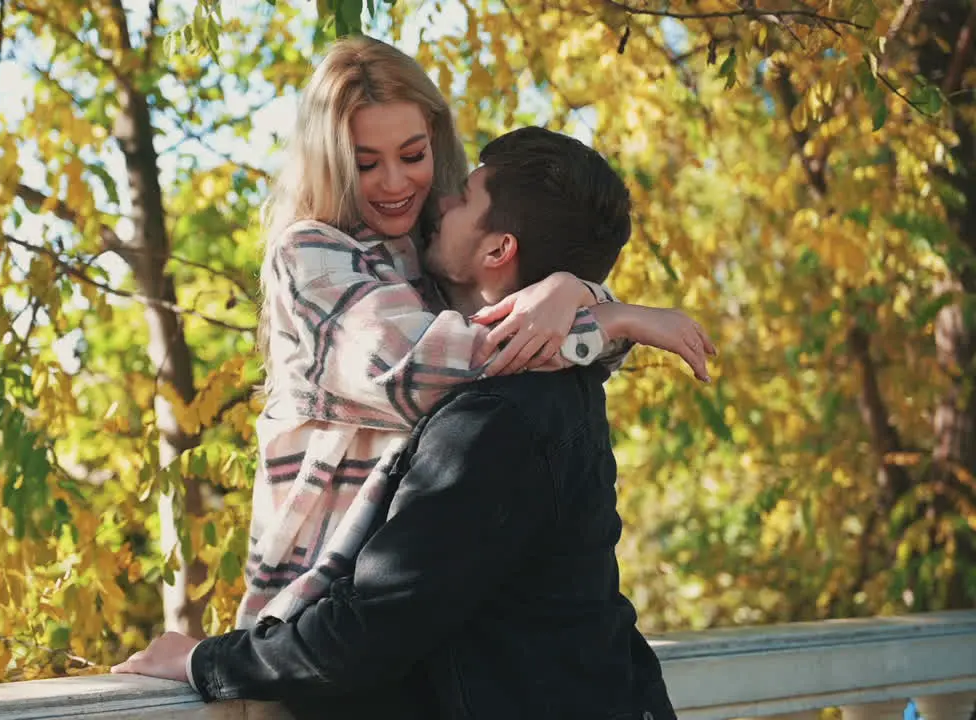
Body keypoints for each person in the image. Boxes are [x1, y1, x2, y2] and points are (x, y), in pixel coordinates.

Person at [113, 128, 692, 719]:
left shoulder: (491, 424)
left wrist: (203, 662)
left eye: (463, 198)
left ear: (498, 251)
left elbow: (370, 629)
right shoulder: (564, 381)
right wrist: (594, 302)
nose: (439, 201)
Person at [227, 35, 711, 632]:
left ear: (436, 137)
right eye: (366, 162)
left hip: (407, 608)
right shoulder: (312, 254)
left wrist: (573, 289)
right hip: (308, 606)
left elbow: (521, 336)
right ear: (330, 160)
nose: (395, 183)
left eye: (412, 153)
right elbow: (419, 370)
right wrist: (613, 316)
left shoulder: (436, 242)